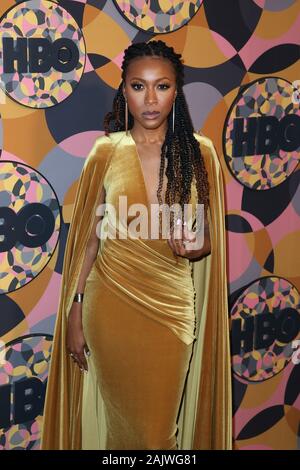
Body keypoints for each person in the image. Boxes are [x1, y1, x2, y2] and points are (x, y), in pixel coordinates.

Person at [41, 40, 232, 450]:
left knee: (157, 434)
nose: (150, 99)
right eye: (138, 86)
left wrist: (197, 246)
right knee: (121, 430)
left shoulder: (201, 154)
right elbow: (88, 242)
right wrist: (75, 309)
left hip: (171, 310)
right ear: (123, 90)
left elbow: (209, 237)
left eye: (161, 87)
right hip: (108, 308)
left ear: (175, 92)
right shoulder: (105, 152)